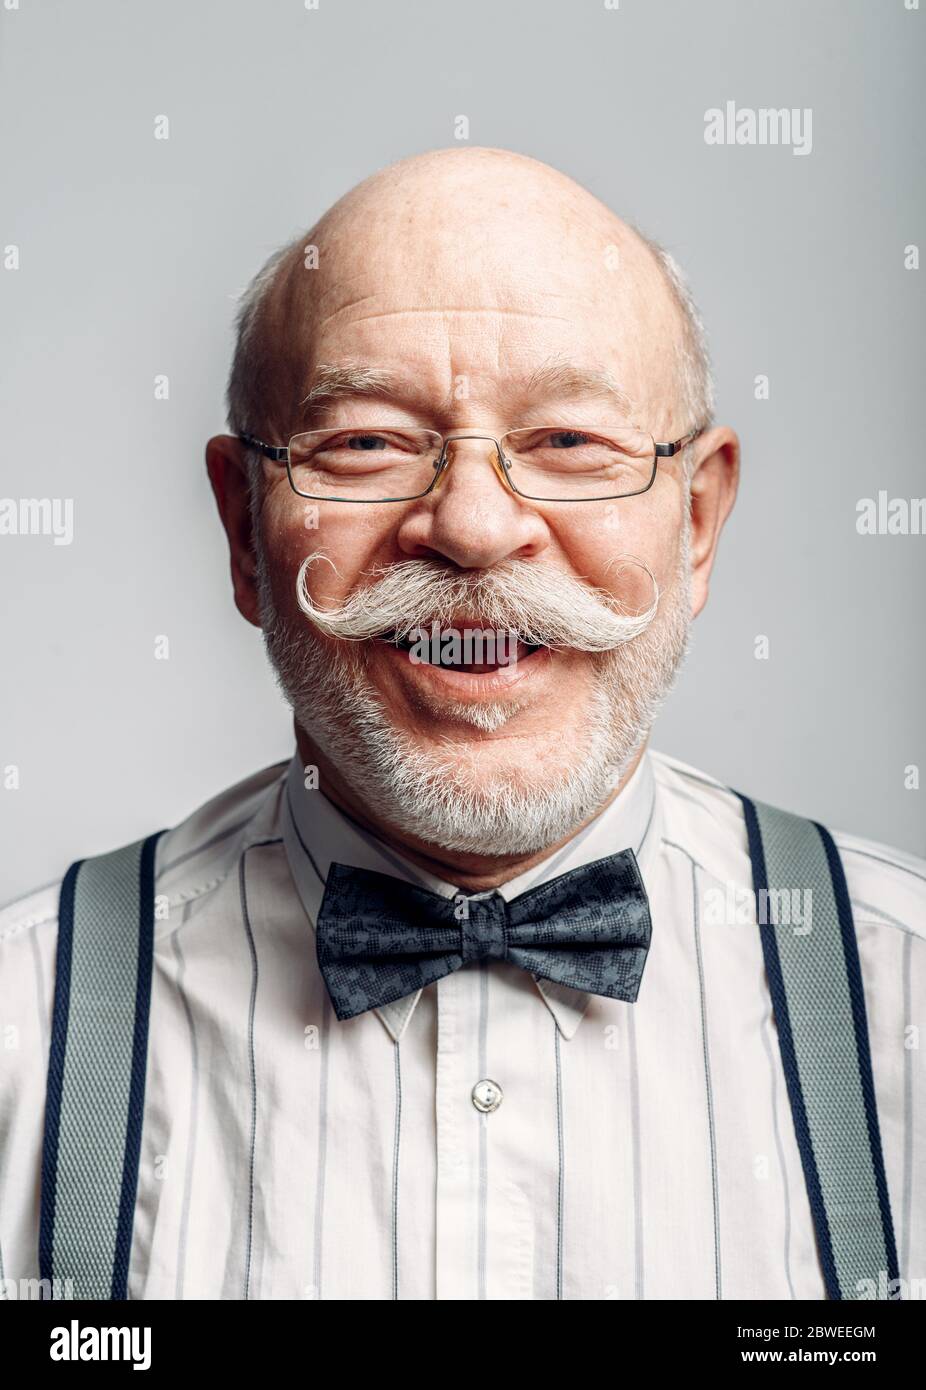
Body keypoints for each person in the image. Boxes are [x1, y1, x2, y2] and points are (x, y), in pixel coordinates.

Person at [1, 148, 923, 1302]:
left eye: (568, 442)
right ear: (244, 527)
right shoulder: (23, 1029)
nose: (476, 528)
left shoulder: (905, 1008)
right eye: (368, 443)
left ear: (695, 522)